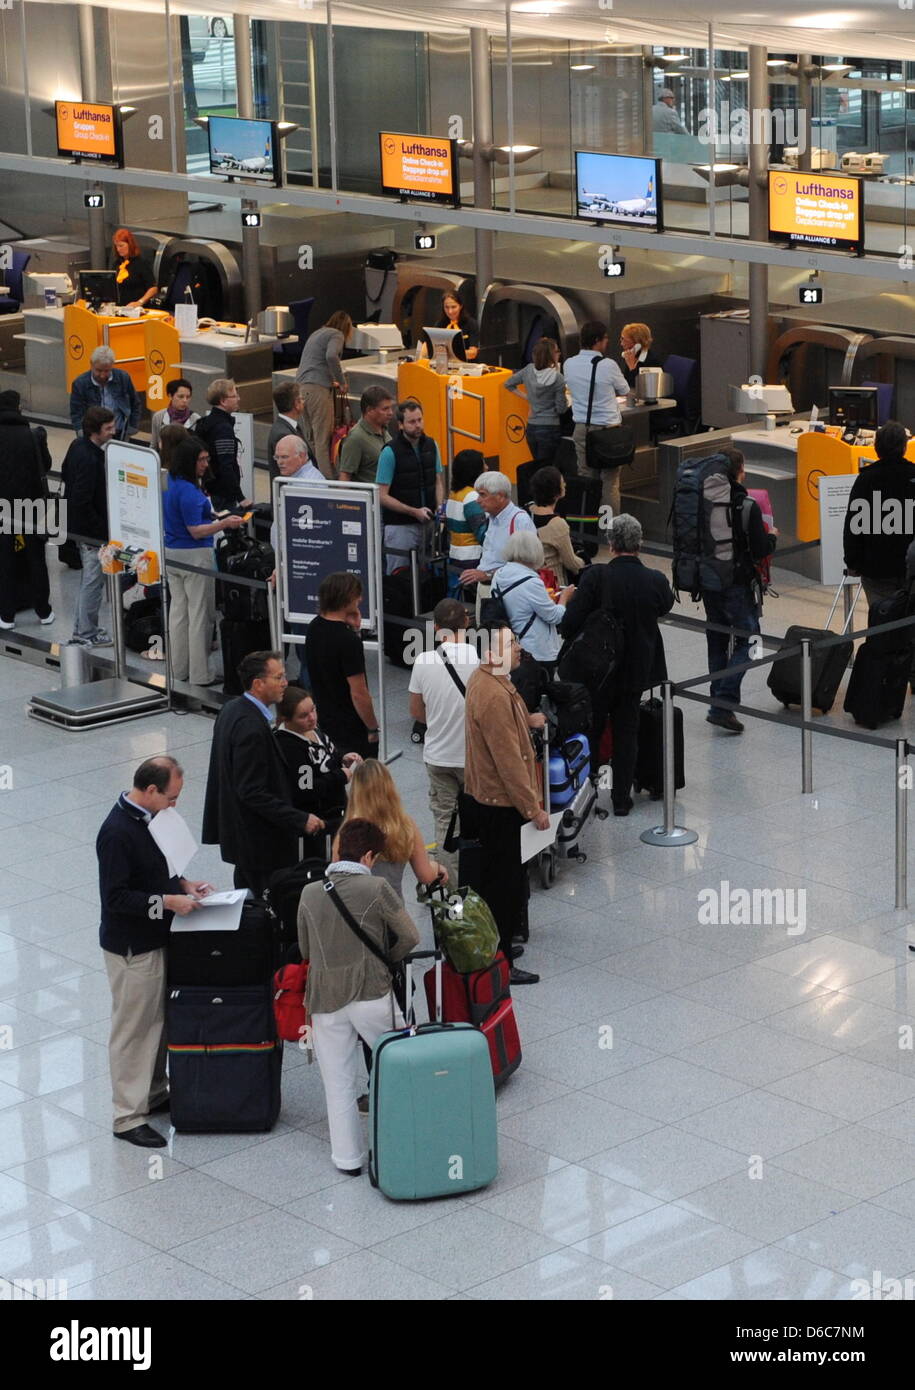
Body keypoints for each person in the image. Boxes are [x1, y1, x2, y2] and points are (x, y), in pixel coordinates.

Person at [97, 755, 212, 1148]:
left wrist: (183, 884)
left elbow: (158, 867)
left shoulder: (150, 820)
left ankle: (154, 1092)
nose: (174, 805)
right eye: (171, 797)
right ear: (149, 790)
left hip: (157, 937)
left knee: (158, 1020)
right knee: (134, 1029)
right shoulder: (116, 832)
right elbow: (116, 897)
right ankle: (127, 1115)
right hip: (133, 946)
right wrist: (166, 902)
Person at [297, 817, 419, 1176]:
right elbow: (410, 936)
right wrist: (386, 961)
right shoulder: (377, 888)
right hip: (371, 993)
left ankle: (347, 1160)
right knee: (400, 1069)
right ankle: (402, 1145)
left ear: (338, 849)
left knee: (337, 1083)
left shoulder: (309, 893)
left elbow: (306, 949)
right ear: (367, 856)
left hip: (324, 1000)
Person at [560, 514, 675, 815]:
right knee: (627, 731)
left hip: (597, 670)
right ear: (639, 544)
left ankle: (589, 793)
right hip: (637, 669)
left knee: (593, 728)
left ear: (610, 544)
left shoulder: (596, 577)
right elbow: (665, 605)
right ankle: (622, 799)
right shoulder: (655, 580)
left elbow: (570, 622)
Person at [463, 624, 549, 985]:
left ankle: (498, 948)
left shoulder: (490, 681)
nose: (518, 648)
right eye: (511, 643)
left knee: (499, 879)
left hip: (488, 797)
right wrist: (533, 808)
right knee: (504, 883)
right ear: (490, 653)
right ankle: (500, 963)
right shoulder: (495, 694)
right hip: (500, 804)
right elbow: (509, 761)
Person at [203, 650, 318, 894]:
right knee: (268, 905)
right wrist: (300, 818)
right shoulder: (251, 728)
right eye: (278, 678)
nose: (285, 683)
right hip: (259, 843)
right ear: (258, 684)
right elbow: (252, 791)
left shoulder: (231, 709)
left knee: (247, 901)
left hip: (240, 837)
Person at [701, 446, 778, 734]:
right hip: (736, 584)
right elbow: (759, 551)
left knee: (717, 640)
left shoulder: (704, 501)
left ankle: (718, 700)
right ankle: (722, 704)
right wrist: (771, 537)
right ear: (739, 471)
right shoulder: (746, 505)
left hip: (708, 581)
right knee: (750, 639)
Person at [408, 598, 481, 887]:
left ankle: (449, 888)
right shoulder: (478, 660)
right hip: (471, 758)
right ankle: (477, 881)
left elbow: (416, 711)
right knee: (476, 820)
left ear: (436, 628)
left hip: (437, 757)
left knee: (444, 823)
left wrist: (439, 721)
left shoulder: (423, 661)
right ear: (466, 623)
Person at [163, 435, 244, 687]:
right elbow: (196, 530)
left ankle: (179, 669)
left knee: (178, 613)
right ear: (189, 461)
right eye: (201, 460)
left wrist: (212, 515)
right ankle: (200, 674)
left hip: (171, 552)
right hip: (194, 554)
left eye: (207, 459)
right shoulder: (189, 490)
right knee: (199, 614)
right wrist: (224, 522)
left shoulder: (170, 482)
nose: (205, 464)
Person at [341, 760, 447, 901]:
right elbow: (426, 876)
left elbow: (338, 875)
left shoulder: (348, 828)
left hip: (356, 911)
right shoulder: (404, 825)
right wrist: (437, 867)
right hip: (392, 907)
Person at [275, 685, 362, 852]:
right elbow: (306, 789)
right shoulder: (289, 746)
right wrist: (339, 776)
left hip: (337, 812)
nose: (312, 718)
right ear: (287, 719)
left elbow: (327, 754)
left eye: (313, 710)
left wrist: (342, 758)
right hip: (319, 822)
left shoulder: (312, 729)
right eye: (303, 716)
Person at [304, 571, 380, 760]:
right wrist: (372, 727)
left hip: (324, 719)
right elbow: (359, 693)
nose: (360, 599)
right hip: (350, 726)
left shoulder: (314, 627)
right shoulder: (347, 641)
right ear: (346, 599)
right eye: (357, 596)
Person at [843, 420, 915, 617]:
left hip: (876, 566)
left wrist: (852, 561)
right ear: (904, 447)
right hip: (910, 567)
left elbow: (854, 524)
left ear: (876, 448)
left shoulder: (866, 479)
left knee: (881, 621)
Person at [563, 320, 631, 522]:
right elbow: (625, 390)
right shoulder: (608, 365)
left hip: (582, 429)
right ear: (597, 341)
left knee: (586, 477)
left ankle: (588, 526)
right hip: (608, 432)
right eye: (605, 339)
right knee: (610, 482)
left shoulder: (569, 364)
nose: (607, 342)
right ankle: (609, 528)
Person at [61, 405, 117, 647]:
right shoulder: (91, 459)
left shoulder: (77, 447)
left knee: (90, 580)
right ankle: (86, 632)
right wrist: (101, 531)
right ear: (96, 431)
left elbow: (65, 475)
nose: (113, 432)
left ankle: (83, 627)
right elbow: (82, 501)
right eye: (109, 428)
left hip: (82, 529)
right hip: (92, 534)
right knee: (93, 582)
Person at [0, 389, 54, 631]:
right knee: (36, 558)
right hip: (32, 507)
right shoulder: (33, 435)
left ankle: (7, 615)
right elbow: (47, 465)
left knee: (5, 559)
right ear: (18, 408)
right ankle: (43, 610)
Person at [376, 398, 444, 577]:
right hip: (400, 527)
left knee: (427, 576)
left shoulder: (432, 445)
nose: (417, 425)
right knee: (399, 577)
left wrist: (439, 505)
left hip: (428, 523)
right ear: (400, 425)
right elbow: (382, 495)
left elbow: (437, 480)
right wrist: (413, 511)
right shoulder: (390, 452)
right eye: (412, 422)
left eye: (420, 420)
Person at [496, 530, 574, 672]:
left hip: (510, 646)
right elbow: (555, 617)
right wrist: (564, 598)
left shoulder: (498, 575)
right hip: (535, 650)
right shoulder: (531, 582)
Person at [295, 310, 353, 476]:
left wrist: (329, 379)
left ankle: (319, 475)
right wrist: (341, 382)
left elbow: (315, 361)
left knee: (312, 438)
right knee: (323, 440)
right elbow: (331, 356)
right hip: (317, 390)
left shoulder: (317, 333)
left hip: (301, 389)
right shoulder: (337, 334)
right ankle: (329, 482)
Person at [458, 470, 536, 589]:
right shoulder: (492, 517)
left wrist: (487, 575)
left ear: (500, 496)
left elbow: (526, 565)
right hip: (487, 588)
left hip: (507, 591)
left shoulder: (520, 520)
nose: (478, 500)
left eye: (483, 494)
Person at [505, 337, 567, 468]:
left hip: (532, 428)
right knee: (548, 469)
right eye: (557, 351)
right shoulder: (558, 378)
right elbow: (561, 409)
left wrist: (528, 397)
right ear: (551, 355)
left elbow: (509, 384)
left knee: (538, 468)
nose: (559, 354)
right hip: (550, 428)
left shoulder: (528, 370)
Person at [194, 378, 251, 513]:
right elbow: (226, 464)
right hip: (222, 492)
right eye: (234, 396)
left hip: (210, 486)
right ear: (223, 401)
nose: (239, 398)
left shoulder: (206, 422)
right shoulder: (223, 428)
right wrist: (241, 497)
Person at [529, 465, 587, 586]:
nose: (565, 484)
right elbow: (571, 563)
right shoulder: (557, 524)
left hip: (529, 578)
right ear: (555, 492)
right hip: (552, 584)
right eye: (562, 482)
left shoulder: (526, 512)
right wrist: (585, 562)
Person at [69, 345, 141, 440]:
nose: (102, 375)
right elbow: (76, 412)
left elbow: (135, 403)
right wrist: (81, 432)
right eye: (98, 370)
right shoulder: (80, 384)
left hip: (119, 433)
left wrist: (132, 427)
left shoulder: (123, 378)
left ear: (112, 366)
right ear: (91, 364)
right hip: (93, 435)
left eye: (107, 371)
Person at [444, 449, 487, 593]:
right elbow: (482, 533)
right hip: (473, 560)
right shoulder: (472, 497)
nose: (487, 467)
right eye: (483, 464)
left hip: (456, 556)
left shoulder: (454, 494)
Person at [337, 385, 394, 485]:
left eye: (390, 408)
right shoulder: (355, 438)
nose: (390, 413)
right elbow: (345, 476)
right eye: (385, 409)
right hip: (372, 498)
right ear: (369, 410)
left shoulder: (383, 429)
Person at [267, 381, 309, 483]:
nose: (304, 402)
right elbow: (289, 472)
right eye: (302, 399)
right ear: (296, 404)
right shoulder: (283, 435)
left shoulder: (286, 427)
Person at [110, 228, 157, 309]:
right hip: (120, 307)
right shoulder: (116, 264)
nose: (118, 249)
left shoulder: (141, 263)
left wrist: (140, 302)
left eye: (121, 246)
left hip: (137, 308)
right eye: (116, 246)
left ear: (130, 245)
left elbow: (153, 288)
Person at [150, 378, 199, 452]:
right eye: (181, 396)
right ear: (170, 396)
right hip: (164, 460)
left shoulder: (196, 419)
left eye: (188, 397)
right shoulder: (158, 417)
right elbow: (153, 446)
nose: (185, 400)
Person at [619, 323, 663, 390]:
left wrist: (631, 367)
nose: (621, 343)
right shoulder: (633, 356)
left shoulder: (651, 361)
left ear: (637, 342)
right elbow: (626, 382)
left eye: (623, 339)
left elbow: (637, 387)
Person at [438, 291, 479, 361]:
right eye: (446, 307)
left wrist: (449, 354)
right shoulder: (440, 324)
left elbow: (473, 353)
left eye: (453, 307)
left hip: (467, 367)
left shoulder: (471, 324)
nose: (450, 311)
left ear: (461, 306)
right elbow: (427, 346)